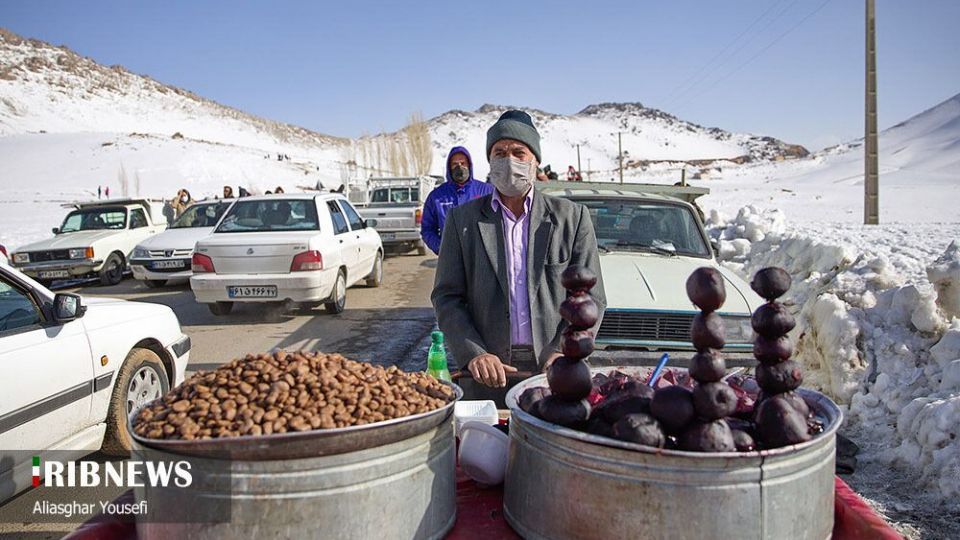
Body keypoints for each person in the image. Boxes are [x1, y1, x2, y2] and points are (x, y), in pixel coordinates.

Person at [431, 110, 606, 393]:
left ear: (535, 160)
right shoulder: (462, 221)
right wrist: (474, 353)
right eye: (499, 153)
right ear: (489, 161)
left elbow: (591, 298)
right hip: (486, 375)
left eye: (518, 152)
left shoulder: (571, 219)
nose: (509, 161)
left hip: (554, 373)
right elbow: (447, 296)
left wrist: (565, 350)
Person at [419, 146, 494, 255]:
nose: (459, 167)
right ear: (449, 168)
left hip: (481, 257)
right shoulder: (437, 196)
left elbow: (500, 222)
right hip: (451, 259)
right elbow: (427, 229)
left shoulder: (487, 191)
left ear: (469, 165)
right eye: (455, 164)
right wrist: (441, 248)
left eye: (463, 163)